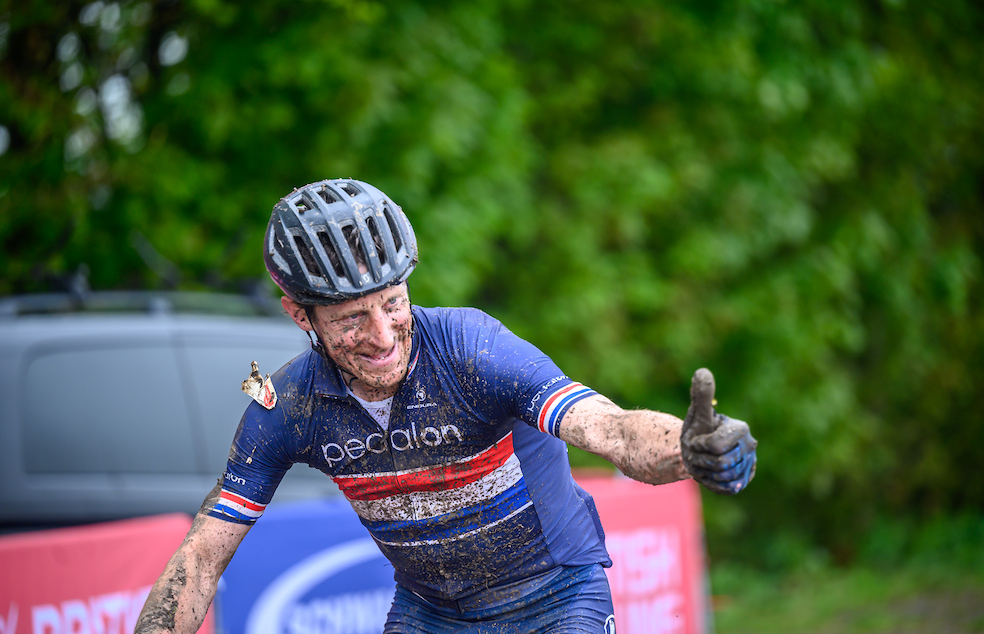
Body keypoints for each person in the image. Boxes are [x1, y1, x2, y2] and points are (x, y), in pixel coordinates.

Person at [135, 178, 757, 634]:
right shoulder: (289, 404)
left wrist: (690, 450)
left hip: (554, 596)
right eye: (352, 319)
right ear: (300, 315)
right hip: (432, 612)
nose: (382, 336)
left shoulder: (470, 349)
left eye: (393, 302)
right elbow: (201, 555)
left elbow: (610, 430)